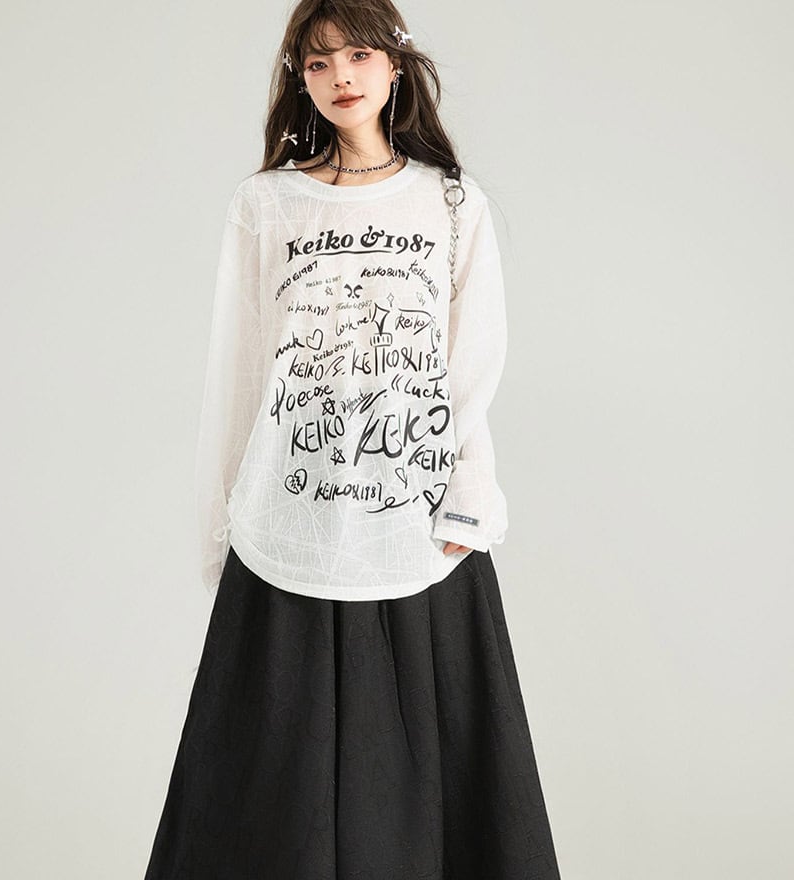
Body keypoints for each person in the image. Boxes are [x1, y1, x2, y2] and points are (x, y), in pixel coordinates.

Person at [144, 1, 562, 877]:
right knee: (273, 794)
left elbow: (470, 365)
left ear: (395, 66)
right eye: (318, 62)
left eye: (359, 55)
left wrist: (469, 496)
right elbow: (240, 372)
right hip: (288, 526)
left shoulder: (451, 201)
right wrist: (224, 523)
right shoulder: (266, 205)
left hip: (414, 527)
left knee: (423, 786)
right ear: (299, 78)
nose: (340, 76)